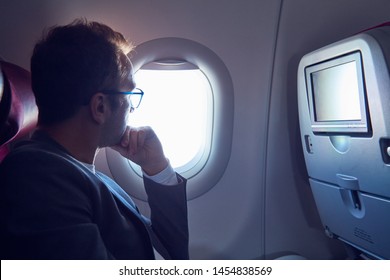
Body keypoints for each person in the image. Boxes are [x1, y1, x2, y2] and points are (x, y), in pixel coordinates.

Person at [0, 19, 189, 260]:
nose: (132, 108)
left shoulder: (87, 173)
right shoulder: (37, 177)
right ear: (100, 106)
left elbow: (171, 255)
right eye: (129, 93)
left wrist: (157, 167)